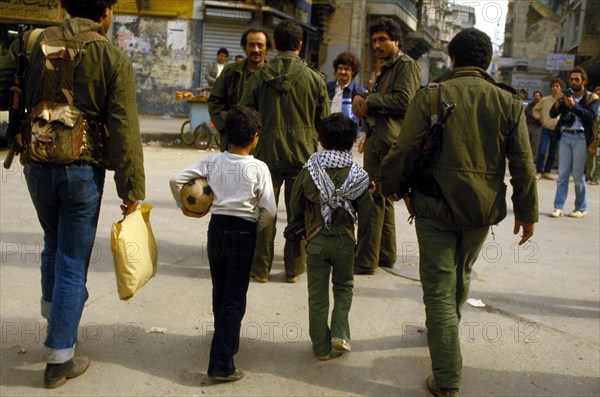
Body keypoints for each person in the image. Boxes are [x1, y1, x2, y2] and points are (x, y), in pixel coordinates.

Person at [380, 28, 537, 397]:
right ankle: (445, 330)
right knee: (462, 271)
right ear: (488, 62)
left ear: (452, 59)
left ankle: (447, 378)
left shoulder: (432, 94)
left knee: (437, 286)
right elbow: (524, 166)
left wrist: (390, 187)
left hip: (434, 206)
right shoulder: (508, 102)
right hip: (482, 209)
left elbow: (404, 150)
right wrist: (526, 212)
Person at [0, 0, 145, 388]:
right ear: (107, 12)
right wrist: (131, 189)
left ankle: (56, 320)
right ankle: (60, 355)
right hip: (82, 171)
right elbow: (125, 129)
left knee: (53, 244)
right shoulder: (112, 57)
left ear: (63, 6)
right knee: (71, 258)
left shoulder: (29, 43)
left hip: (36, 165)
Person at [169, 106, 276, 382]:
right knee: (234, 298)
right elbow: (270, 211)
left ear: (226, 135)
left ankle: (221, 340)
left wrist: (186, 206)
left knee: (220, 290)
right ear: (255, 138)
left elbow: (175, 179)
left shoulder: (212, 162)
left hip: (216, 230)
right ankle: (221, 364)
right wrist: (256, 227)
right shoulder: (259, 168)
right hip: (243, 233)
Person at [240, 19, 330, 284]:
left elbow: (246, 115)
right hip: (302, 157)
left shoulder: (259, 76)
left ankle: (260, 269)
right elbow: (323, 122)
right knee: (299, 214)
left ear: (275, 45)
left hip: (265, 154)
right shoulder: (315, 79)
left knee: (264, 212)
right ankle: (293, 269)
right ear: (300, 45)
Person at [290, 113, 373, 361]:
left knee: (317, 295)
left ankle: (321, 347)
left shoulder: (310, 169)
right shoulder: (359, 175)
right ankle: (340, 333)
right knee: (344, 287)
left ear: (320, 139)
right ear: (351, 142)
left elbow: (295, 205)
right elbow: (367, 216)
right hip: (346, 242)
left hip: (315, 241)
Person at [351, 16, 420, 275]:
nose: (377, 45)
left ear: (396, 41)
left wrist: (369, 99)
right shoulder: (387, 69)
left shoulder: (406, 66)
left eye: (382, 40)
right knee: (382, 199)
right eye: (374, 41)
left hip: (389, 144)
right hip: (379, 140)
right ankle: (384, 255)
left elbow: (405, 101)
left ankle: (365, 260)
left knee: (372, 198)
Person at [208, 29, 271, 151]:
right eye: (251, 45)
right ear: (244, 48)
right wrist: (231, 126)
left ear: (267, 49)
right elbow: (214, 102)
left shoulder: (274, 76)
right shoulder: (230, 73)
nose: (256, 49)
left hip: (264, 145)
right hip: (233, 145)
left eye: (260, 45)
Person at [549, 67, 599, 218]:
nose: (574, 82)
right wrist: (558, 103)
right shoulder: (566, 95)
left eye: (577, 79)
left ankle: (580, 208)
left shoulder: (592, 98)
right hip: (565, 136)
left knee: (578, 175)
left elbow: (590, 116)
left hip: (581, 138)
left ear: (584, 81)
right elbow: (553, 114)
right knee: (562, 174)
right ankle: (559, 207)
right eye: (571, 79)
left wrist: (574, 106)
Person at [532, 78, 564, 180]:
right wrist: (539, 118)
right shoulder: (545, 100)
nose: (555, 88)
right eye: (553, 86)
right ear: (551, 88)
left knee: (553, 152)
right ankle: (539, 171)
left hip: (557, 130)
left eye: (557, 86)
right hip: (546, 128)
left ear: (561, 88)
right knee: (542, 151)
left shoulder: (563, 100)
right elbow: (535, 110)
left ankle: (547, 171)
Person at [326, 52, 367, 125]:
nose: (342, 72)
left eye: (346, 69)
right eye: (340, 68)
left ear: (353, 72)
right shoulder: (327, 88)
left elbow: (363, 119)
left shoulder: (360, 92)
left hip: (348, 134)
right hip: (327, 132)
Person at [584, 85, 600, 185]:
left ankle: (596, 177)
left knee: (599, 158)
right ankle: (588, 176)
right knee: (589, 156)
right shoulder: (591, 105)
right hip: (591, 133)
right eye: (597, 94)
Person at [525, 90, 542, 159]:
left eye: (537, 96)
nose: (536, 97)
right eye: (535, 96)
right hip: (529, 126)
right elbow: (526, 112)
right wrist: (534, 115)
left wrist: (534, 116)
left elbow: (541, 115)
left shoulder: (542, 104)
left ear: (541, 97)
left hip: (537, 127)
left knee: (535, 144)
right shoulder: (530, 105)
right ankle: (527, 157)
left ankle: (534, 159)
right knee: (528, 143)